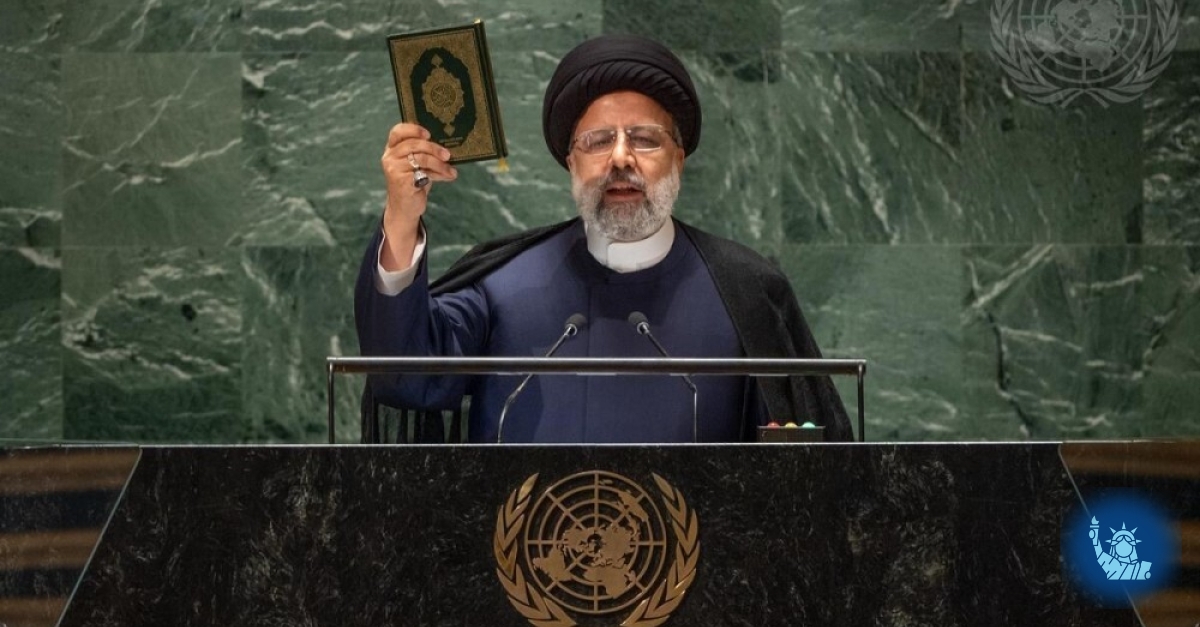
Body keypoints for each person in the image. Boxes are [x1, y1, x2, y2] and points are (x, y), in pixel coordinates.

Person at [355, 34, 850, 443]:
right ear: (571, 162)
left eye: (644, 139)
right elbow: (406, 377)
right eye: (597, 141)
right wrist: (401, 217)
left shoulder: (747, 291)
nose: (620, 158)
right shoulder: (502, 285)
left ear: (679, 160)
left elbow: (803, 474)